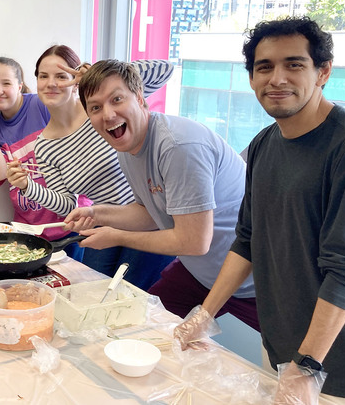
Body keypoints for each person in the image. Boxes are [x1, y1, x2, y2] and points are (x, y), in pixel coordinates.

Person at [174, 16, 345, 404]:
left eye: (294, 64)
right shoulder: (264, 143)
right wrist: (204, 315)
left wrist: (307, 366)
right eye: (265, 67)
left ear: (323, 71)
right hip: (282, 346)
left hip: (339, 362)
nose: (277, 78)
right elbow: (247, 240)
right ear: (251, 78)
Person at [63, 59, 258, 331]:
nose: (107, 114)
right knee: (143, 327)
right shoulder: (126, 146)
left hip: (252, 281)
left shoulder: (178, 146)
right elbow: (150, 213)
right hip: (201, 273)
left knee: (298, 364)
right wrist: (97, 214)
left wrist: (116, 235)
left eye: (117, 99)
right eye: (95, 107)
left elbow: (193, 241)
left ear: (140, 99)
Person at [5, 45, 175, 290]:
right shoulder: (44, 145)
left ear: (76, 81)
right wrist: (27, 186)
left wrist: (100, 74)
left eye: (61, 76)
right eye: (43, 76)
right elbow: (66, 205)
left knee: (129, 297)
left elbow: (165, 70)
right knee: (92, 294)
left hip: (149, 220)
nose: (51, 83)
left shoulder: (103, 111)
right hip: (104, 224)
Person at [0, 57, 88, 260]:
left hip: (70, 225)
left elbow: (77, 121)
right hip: (29, 230)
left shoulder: (41, 104)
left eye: (6, 83)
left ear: (20, 85)